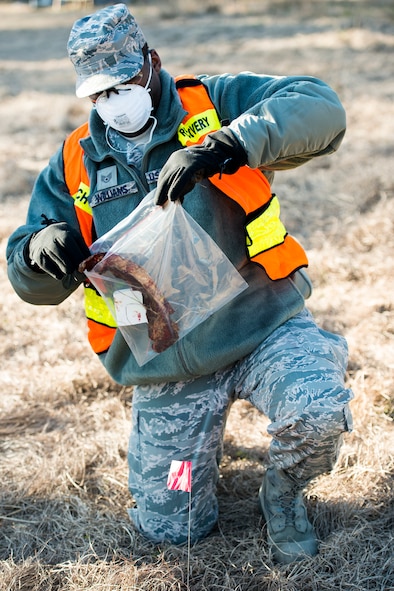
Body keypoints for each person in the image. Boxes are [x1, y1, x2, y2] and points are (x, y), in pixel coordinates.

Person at [6, 3, 353, 564]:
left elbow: (321, 108)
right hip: (172, 367)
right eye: (100, 91)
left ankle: (283, 497)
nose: (114, 100)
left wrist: (228, 145)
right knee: (172, 529)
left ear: (152, 63)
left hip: (262, 327)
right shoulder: (77, 161)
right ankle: (187, 470)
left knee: (316, 410)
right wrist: (35, 253)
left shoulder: (213, 104)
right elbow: (28, 278)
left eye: (125, 82)